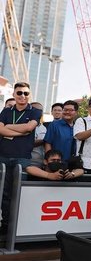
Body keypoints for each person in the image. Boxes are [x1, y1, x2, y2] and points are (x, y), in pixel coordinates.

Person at [0, 82, 42, 231]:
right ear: (14, 95)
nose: (22, 96)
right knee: (3, 193)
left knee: (18, 193)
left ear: (29, 95)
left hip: (22, 157)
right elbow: (1, 130)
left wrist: (8, 127)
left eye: (26, 93)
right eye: (19, 93)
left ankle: (17, 226)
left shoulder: (35, 111)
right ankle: (5, 226)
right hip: (3, 156)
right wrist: (21, 132)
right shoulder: (6, 111)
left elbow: (29, 127)